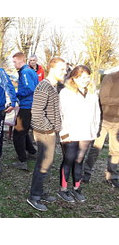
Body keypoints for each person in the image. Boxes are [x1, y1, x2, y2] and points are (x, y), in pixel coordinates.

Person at [26, 57, 67, 211]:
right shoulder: (44, 86)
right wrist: (49, 129)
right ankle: (34, 197)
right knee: (43, 164)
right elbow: (36, 113)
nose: (65, 72)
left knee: (47, 163)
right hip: (44, 133)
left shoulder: (53, 86)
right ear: (52, 69)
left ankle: (40, 192)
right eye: (62, 69)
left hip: (50, 132)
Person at [58, 65, 100, 203]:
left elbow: (96, 113)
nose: (85, 80)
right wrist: (63, 134)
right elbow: (61, 114)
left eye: (87, 77)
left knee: (79, 160)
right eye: (82, 77)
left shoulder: (93, 93)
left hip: (86, 132)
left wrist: (94, 130)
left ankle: (77, 188)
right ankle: (63, 189)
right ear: (74, 78)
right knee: (69, 159)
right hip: (69, 133)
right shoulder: (66, 93)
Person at [83, 71, 119, 187]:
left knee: (116, 151)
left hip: (117, 122)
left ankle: (112, 176)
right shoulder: (110, 78)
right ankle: (86, 174)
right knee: (95, 149)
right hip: (104, 119)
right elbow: (104, 99)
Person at [11, 52, 39, 170]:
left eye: (15, 61)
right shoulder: (30, 71)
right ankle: (32, 152)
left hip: (27, 106)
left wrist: (17, 94)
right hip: (30, 105)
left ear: (21, 61)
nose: (13, 64)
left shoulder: (25, 72)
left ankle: (22, 160)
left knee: (17, 134)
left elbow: (29, 88)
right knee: (23, 131)